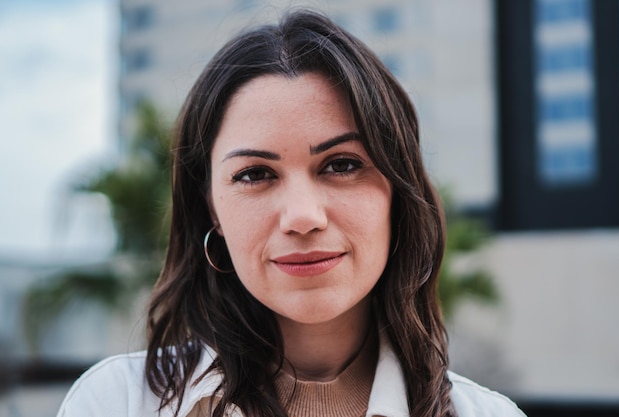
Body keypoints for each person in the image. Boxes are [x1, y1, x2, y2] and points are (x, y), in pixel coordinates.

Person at [57, 9, 526, 417]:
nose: (302, 217)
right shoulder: (114, 404)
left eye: (342, 165)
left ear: (397, 193)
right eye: (255, 174)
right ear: (211, 209)